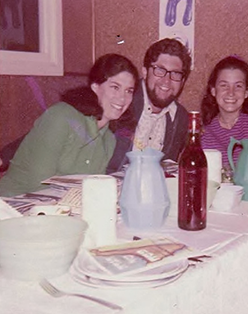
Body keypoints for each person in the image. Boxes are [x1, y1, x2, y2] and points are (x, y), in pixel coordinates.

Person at [0, 54, 139, 196]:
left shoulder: (108, 140)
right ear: (95, 87)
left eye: (129, 91)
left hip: (59, 209)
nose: (123, 98)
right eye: (115, 87)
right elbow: (37, 184)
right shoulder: (61, 116)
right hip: (12, 205)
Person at [107, 38, 192, 173]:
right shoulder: (123, 102)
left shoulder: (181, 118)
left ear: (182, 81)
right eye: (159, 70)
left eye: (175, 74)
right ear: (145, 72)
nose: (166, 80)